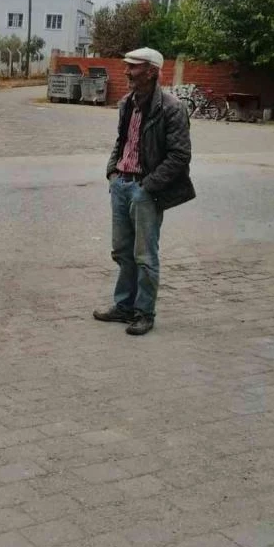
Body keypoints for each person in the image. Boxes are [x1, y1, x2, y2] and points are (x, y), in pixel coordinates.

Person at [93, 47, 195, 337]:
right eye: (127, 66)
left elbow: (179, 156)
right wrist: (112, 172)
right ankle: (124, 306)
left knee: (145, 255)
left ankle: (144, 312)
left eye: (133, 67)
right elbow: (121, 142)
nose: (126, 72)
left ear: (151, 71)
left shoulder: (172, 108)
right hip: (121, 184)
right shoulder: (127, 103)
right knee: (122, 251)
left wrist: (146, 187)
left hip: (146, 189)